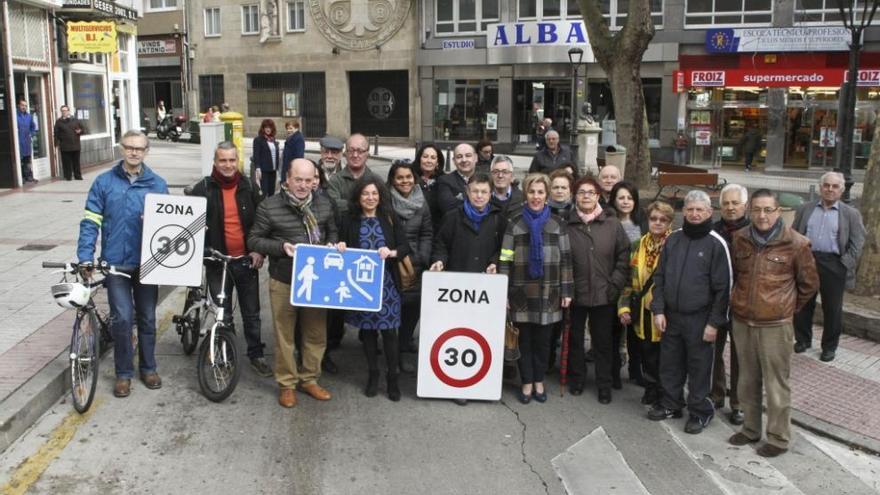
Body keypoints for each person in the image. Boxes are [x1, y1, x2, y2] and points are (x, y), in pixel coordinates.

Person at [77, 130, 169, 398]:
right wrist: (85, 255)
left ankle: (149, 368)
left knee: (148, 318)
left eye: (139, 148)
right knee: (122, 319)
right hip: (116, 264)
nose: (134, 152)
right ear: (121, 148)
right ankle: (123, 374)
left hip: (147, 264)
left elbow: (169, 226)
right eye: (129, 147)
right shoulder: (104, 183)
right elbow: (90, 221)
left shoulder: (157, 184)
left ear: (146, 151)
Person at [728, 189, 819, 458]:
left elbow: (809, 284)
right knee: (747, 380)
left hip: (775, 325)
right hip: (743, 321)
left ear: (778, 212)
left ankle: (778, 438)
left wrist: (785, 308)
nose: (762, 215)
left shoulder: (797, 243)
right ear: (750, 211)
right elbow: (735, 275)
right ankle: (750, 429)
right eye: (756, 209)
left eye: (768, 210)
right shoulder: (740, 238)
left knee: (776, 384)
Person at [248, 158, 340, 408]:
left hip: (317, 282)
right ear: (287, 179)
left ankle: (309, 379)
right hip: (284, 280)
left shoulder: (323, 203)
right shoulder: (270, 206)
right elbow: (254, 239)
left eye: (308, 180)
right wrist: (280, 247)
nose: (303, 185)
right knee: (284, 336)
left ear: (314, 181)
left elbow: (333, 230)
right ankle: (287, 384)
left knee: (315, 333)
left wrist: (332, 243)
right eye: (298, 179)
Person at [648, 190, 732, 435]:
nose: (694, 214)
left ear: (709, 212)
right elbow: (660, 277)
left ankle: (700, 411)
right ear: (683, 211)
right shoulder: (673, 239)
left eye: (700, 210)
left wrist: (714, 323)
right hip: (671, 316)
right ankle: (671, 404)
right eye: (690, 209)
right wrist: (659, 310)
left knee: (699, 368)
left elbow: (724, 289)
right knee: (670, 364)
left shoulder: (717, 244)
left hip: (701, 319)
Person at [190, 142, 271, 378]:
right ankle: (228, 352)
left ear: (238, 162)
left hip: (246, 261)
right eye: (223, 160)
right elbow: (187, 220)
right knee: (223, 313)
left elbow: (263, 221)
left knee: (252, 313)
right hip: (217, 263)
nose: (228, 165)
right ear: (215, 162)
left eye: (232, 160)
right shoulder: (203, 188)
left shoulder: (249, 187)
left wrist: (259, 251)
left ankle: (256, 354)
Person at [430, 173, 507, 405]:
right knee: (457, 332)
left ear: (491, 193)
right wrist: (439, 261)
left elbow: (505, 247)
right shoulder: (453, 216)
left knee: (482, 334)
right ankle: (457, 383)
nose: (479, 196)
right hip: (457, 287)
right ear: (467, 192)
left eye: (484, 192)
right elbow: (441, 243)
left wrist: (495, 261)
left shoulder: (498, 218)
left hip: (484, 288)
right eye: (475, 191)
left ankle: (481, 382)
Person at [500, 173, 573, 405]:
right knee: (524, 340)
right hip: (520, 293)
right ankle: (527, 381)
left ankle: (539, 380)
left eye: (541, 192)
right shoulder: (515, 222)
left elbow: (566, 260)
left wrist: (567, 291)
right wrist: (503, 290)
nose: (536, 196)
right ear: (525, 193)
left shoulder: (558, 223)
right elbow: (505, 258)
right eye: (532, 192)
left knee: (543, 341)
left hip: (549, 293)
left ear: (547, 194)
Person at [341, 177, 411, 401]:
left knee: (390, 333)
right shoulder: (349, 219)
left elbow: (405, 246)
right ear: (358, 197)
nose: (370, 198)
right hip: (362, 287)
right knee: (368, 332)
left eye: (374, 193)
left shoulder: (389, 218)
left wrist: (391, 253)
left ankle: (393, 377)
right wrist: (340, 246)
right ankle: (373, 374)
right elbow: (341, 244)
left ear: (380, 196)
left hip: (387, 284)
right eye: (365, 194)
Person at [566, 177, 630, 403]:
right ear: (575, 196)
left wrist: (615, 284)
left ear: (598, 196)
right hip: (576, 294)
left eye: (590, 192)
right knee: (575, 340)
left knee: (603, 342)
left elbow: (624, 256)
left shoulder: (612, 224)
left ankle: (604, 384)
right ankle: (577, 380)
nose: (586, 196)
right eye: (581, 192)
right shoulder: (568, 224)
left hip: (605, 294)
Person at [792, 171, 866, 362]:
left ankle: (829, 347)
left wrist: (844, 264)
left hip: (834, 264)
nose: (830, 189)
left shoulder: (850, 214)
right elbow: (793, 234)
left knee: (832, 309)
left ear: (841, 190)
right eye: (826, 185)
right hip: (807, 260)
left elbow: (858, 242)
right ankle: (802, 340)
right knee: (802, 304)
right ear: (820, 187)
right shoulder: (805, 209)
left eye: (835, 186)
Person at [618, 201, 675, 406]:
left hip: (667, 311)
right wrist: (624, 306)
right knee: (648, 353)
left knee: (666, 356)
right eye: (653, 218)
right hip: (643, 310)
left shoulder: (675, 245)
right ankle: (651, 389)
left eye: (663, 219)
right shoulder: (638, 245)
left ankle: (666, 394)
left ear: (670, 222)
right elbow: (628, 281)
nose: (658, 223)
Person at [711, 184, 751, 425]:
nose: (730, 207)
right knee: (713, 351)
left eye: (735, 203)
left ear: (744, 205)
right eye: (726, 203)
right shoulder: (713, 231)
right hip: (716, 302)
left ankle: (738, 403)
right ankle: (716, 394)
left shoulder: (752, 231)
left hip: (742, 303)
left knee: (740, 356)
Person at [387, 160, 432, 368]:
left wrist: (422, 256)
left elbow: (426, 232)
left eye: (408, 177)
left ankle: (403, 345)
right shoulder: (385, 201)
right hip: (391, 263)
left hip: (415, 264)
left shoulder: (421, 202)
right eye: (400, 177)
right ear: (393, 180)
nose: (405, 181)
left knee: (412, 309)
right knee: (391, 310)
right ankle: (392, 355)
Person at [610, 181, 648, 387]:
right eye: (621, 198)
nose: (625, 202)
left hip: (636, 285)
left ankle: (635, 370)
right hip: (615, 281)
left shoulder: (642, 222)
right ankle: (614, 371)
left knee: (635, 332)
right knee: (615, 331)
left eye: (630, 198)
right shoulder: (608, 220)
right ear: (614, 200)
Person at [327, 133, 380, 218]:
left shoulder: (377, 180)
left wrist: (346, 204)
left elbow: (383, 206)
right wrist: (363, 203)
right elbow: (332, 204)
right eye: (351, 150)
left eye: (360, 151)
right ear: (345, 154)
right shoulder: (335, 180)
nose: (355, 155)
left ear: (367, 154)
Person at [437, 143, 478, 212]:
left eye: (468, 156)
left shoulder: (486, 179)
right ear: (454, 161)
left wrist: (461, 199)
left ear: (476, 158)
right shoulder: (444, 181)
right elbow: (447, 207)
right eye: (459, 157)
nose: (464, 160)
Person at [414, 143, 446, 232]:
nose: (429, 160)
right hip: (414, 230)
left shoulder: (445, 181)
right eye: (425, 156)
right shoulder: (409, 177)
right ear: (419, 159)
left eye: (433, 158)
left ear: (437, 162)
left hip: (437, 230)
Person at [54, 105, 84, 181]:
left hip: (75, 145)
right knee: (66, 162)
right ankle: (68, 176)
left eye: (65, 110)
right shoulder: (58, 122)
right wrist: (56, 144)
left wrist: (80, 131)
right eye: (62, 111)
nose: (64, 112)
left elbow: (83, 129)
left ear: (68, 111)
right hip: (65, 145)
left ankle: (78, 175)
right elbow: (56, 133)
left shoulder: (75, 120)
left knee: (76, 162)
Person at [253, 119, 280, 197]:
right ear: (263, 128)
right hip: (264, 170)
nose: (268, 129)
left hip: (273, 170)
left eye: (270, 127)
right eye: (266, 127)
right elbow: (256, 155)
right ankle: (262, 207)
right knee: (264, 191)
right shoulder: (258, 140)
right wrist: (257, 167)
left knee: (272, 191)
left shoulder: (273, 140)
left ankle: (270, 207)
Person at [17, 99, 38, 184]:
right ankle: (21, 177)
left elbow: (33, 127)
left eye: (25, 105)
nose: (24, 107)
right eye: (22, 105)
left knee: (27, 160)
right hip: (18, 142)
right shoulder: (15, 115)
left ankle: (28, 176)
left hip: (26, 142)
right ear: (19, 105)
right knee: (20, 160)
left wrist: (31, 134)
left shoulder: (29, 116)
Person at [281, 118, 305, 184]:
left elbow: (299, 155)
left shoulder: (298, 138)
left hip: (292, 167)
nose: (289, 130)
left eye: (291, 128)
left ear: (296, 128)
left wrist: (294, 167)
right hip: (288, 166)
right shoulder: (291, 137)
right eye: (287, 128)